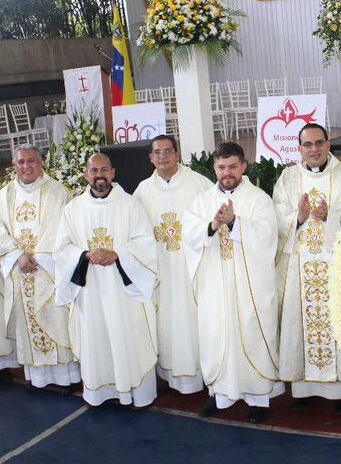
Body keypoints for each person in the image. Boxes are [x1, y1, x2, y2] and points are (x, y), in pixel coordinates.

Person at [185, 143, 282, 424]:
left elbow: (268, 237)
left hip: (249, 283)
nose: (226, 172)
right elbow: (189, 234)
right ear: (214, 168)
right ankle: (220, 394)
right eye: (221, 167)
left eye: (232, 166)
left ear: (243, 166)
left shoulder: (259, 199)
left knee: (251, 331)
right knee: (217, 333)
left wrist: (236, 222)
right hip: (215, 282)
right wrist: (213, 226)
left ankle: (258, 398)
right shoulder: (202, 201)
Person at [54, 153, 158, 407]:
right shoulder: (73, 209)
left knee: (127, 335)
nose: (99, 176)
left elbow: (145, 243)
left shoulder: (130, 205)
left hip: (122, 290)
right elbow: (61, 249)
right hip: (91, 291)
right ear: (86, 174)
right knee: (95, 336)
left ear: (113, 172)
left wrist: (117, 254)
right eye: (93, 171)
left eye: (104, 170)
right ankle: (100, 392)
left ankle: (134, 392)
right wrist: (85, 254)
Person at [273, 124, 341, 415]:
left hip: (334, 265)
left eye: (319, 143)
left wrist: (330, 216)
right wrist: (297, 217)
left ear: (328, 145)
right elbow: (276, 217)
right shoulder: (288, 178)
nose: (313, 149)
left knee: (336, 320)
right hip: (300, 266)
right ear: (299, 148)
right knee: (300, 319)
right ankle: (302, 388)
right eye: (307, 144)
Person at [133, 135, 212, 394]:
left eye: (168, 151)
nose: (163, 156)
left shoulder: (199, 185)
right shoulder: (143, 191)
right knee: (165, 321)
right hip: (160, 270)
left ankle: (202, 374)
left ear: (177, 153)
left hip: (191, 268)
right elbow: (133, 231)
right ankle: (168, 373)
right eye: (158, 152)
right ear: (150, 158)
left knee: (193, 319)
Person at [0, 146, 79, 389]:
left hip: (47, 268)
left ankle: (66, 378)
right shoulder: (5, 195)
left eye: (31, 161)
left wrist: (38, 257)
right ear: (14, 165)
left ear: (41, 162)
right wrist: (16, 255)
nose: (26, 166)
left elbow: (62, 226)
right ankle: (38, 379)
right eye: (21, 162)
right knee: (27, 322)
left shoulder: (57, 191)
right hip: (18, 268)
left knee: (55, 319)